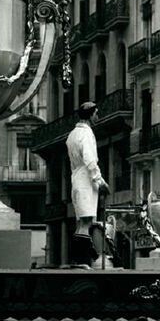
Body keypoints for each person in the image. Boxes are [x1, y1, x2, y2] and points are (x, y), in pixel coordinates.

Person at [65, 102, 109, 266]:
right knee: (85, 222)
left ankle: (80, 257)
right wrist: (100, 180)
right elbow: (90, 159)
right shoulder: (86, 134)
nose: (98, 116)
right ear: (90, 115)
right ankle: (80, 259)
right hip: (85, 180)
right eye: (96, 113)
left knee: (83, 223)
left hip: (76, 178)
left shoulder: (72, 134)